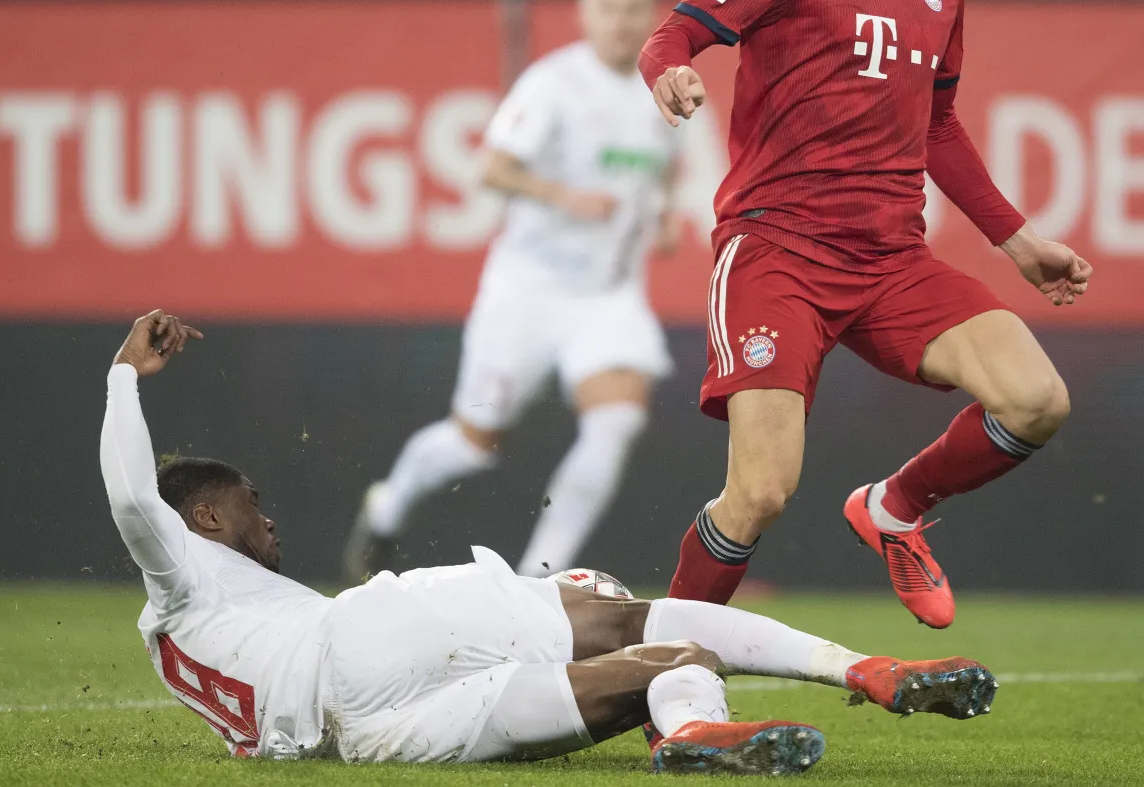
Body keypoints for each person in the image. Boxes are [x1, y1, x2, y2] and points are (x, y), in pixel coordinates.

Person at [103, 310, 998, 770]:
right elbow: (136, 499)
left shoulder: (195, 628)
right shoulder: (184, 570)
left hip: (368, 733)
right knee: (633, 613)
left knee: (670, 660)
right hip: (367, 642)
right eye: (248, 503)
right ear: (207, 520)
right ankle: (864, 669)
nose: (268, 518)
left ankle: (691, 736)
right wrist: (122, 376)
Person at [638, 0, 1091, 629]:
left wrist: (1017, 239)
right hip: (777, 250)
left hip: (890, 259)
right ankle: (665, 672)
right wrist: (669, 69)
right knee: (762, 492)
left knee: (1039, 399)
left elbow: (939, 124)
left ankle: (893, 508)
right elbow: (674, 31)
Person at [345, 0, 676, 585]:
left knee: (617, 422)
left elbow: (663, 166)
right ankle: (387, 506)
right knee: (474, 442)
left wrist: (661, 219)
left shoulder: (660, 88)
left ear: (650, 14)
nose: (621, 22)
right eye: (607, 8)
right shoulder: (553, 84)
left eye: (633, 8)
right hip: (528, 289)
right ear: (584, 14)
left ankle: (537, 579)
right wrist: (564, 195)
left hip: (607, 296)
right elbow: (492, 169)